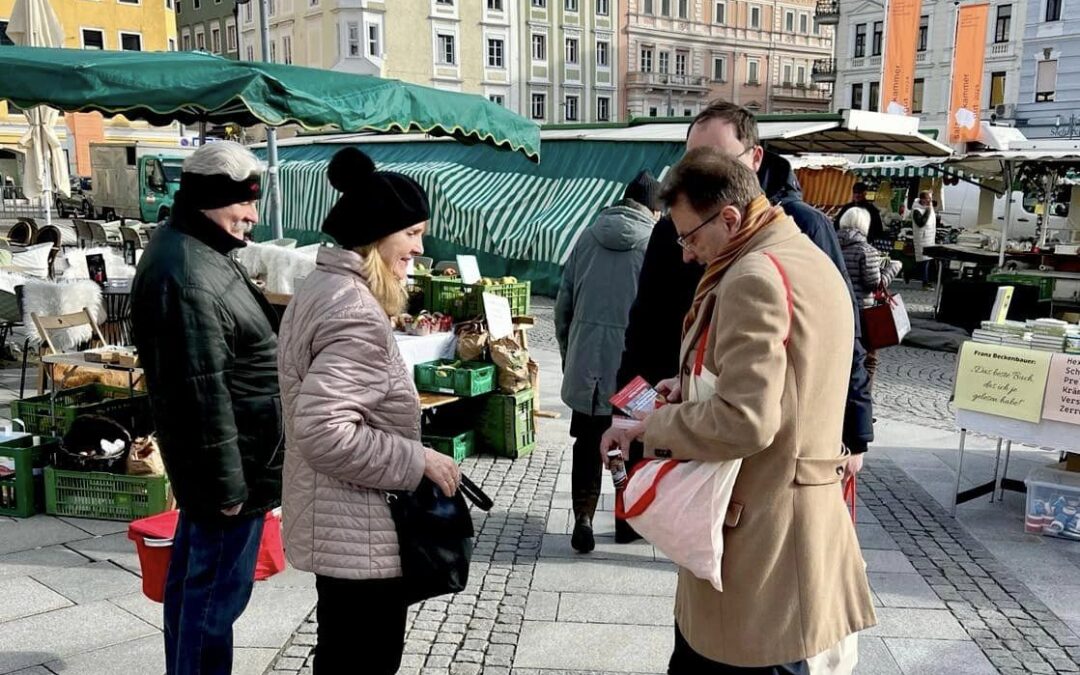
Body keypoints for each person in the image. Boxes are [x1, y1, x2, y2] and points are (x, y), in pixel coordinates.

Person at [603, 148, 876, 674]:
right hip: (796, 534)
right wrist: (692, 387)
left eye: (689, 236)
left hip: (761, 545)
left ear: (729, 217)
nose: (685, 253)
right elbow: (793, 387)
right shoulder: (806, 257)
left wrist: (650, 426)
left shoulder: (755, 276)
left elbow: (747, 420)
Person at [617, 101, 873, 487]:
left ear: (754, 158)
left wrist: (855, 433)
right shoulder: (675, 229)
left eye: (717, 158)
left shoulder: (798, 232)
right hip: (698, 431)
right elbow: (646, 325)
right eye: (693, 159)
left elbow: (842, 334)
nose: (688, 253)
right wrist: (637, 407)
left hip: (764, 462)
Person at [278, 147, 461, 675]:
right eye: (412, 234)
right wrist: (416, 460)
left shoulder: (326, 287)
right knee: (363, 658)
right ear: (379, 233)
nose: (419, 249)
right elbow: (324, 430)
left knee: (342, 653)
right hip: (359, 533)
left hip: (339, 523)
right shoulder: (354, 309)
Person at [131, 141, 282, 675]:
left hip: (233, 468)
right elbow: (199, 394)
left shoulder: (200, 251)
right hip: (228, 474)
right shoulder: (187, 271)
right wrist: (226, 491)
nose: (253, 216)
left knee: (198, 594)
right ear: (210, 200)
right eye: (245, 203)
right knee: (210, 606)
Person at [555, 170, 659, 553]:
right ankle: (625, 521)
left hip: (587, 361)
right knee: (628, 442)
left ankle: (582, 515)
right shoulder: (653, 243)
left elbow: (562, 306)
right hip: (631, 367)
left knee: (586, 442)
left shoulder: (586, 236)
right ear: (653, 208)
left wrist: (571, 356)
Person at [839, 207, 903, 384]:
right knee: (869, 358)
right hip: (862, 311)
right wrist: (893, 268)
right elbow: (874, 284)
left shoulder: (832, 245)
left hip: (838, 308)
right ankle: (863, 396)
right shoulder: (867, 250)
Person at [912, 190, 937, 288]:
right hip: (922, 238)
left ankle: (926, 280)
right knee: (924, 260)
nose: (930, 200)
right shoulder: (917, 210)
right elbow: (920, 223)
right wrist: (928, 211)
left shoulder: (928, 207)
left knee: (927, 260)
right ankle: (925, 282)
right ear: (923, 199)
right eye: (928, 198)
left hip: (929, 238)